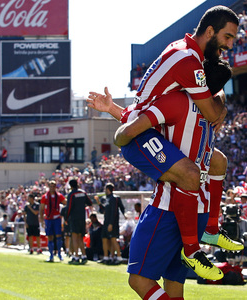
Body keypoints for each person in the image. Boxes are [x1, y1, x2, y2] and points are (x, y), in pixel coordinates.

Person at [87, 5, 242, 280]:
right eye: (228, 37)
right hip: (140, 135)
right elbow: (209, 112)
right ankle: (192, 250)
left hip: (147, 125)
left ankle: (211, 229)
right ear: (210, 31)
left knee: (217, 160)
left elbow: (154, 109)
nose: (230, 45)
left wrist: (113, 110)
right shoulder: (188, 61)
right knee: (190, 174)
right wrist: (222, 103)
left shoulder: (184, 51)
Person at [95, 182, 125, 265]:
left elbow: (114, 211)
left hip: (112, 222)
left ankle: (119, 257)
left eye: (105, 189)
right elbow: (103, 210)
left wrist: (111, 223)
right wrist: (98, 202)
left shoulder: (114, 198)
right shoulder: (106, 198)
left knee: (113, 239)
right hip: (106, 221)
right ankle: (106, 257)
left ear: (108, 189)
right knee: (104, 239)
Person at [65, 179, 93, 265]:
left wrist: (66, 218)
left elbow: (69, 207)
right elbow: (90, 203)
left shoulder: (72, 194)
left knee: (74, 237)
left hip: (74, 218)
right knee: (81, 237)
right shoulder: (83, 193)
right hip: (82, 218)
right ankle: (84, 256)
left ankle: (76, 256)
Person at [40, 180, 66, 262]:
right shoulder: (45, 197)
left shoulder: (58, 196)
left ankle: (59, 254)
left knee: (59, 236)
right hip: (48, 218)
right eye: (51, 186)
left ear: (55, 187)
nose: (52, 188)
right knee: (50, 236)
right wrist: (41, 219)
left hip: (57, 218)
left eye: (53, 186)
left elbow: (66, 203)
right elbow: (41, 208)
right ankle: (51, 255)